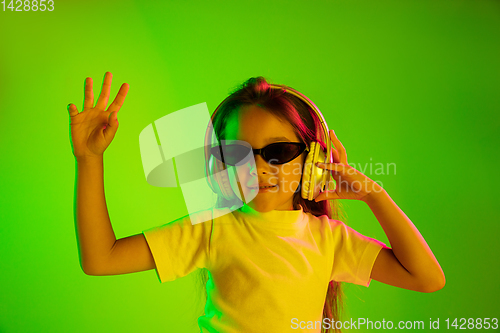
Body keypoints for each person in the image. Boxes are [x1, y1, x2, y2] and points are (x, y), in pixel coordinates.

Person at [67, 72, 445, 333]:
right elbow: (102, 259)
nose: (261, 167)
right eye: (239, 153)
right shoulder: (210, 229)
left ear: (314, 160)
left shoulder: (329, 240)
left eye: (279, 151)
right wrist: (89, 159)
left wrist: (370, 192)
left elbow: (427, 278)